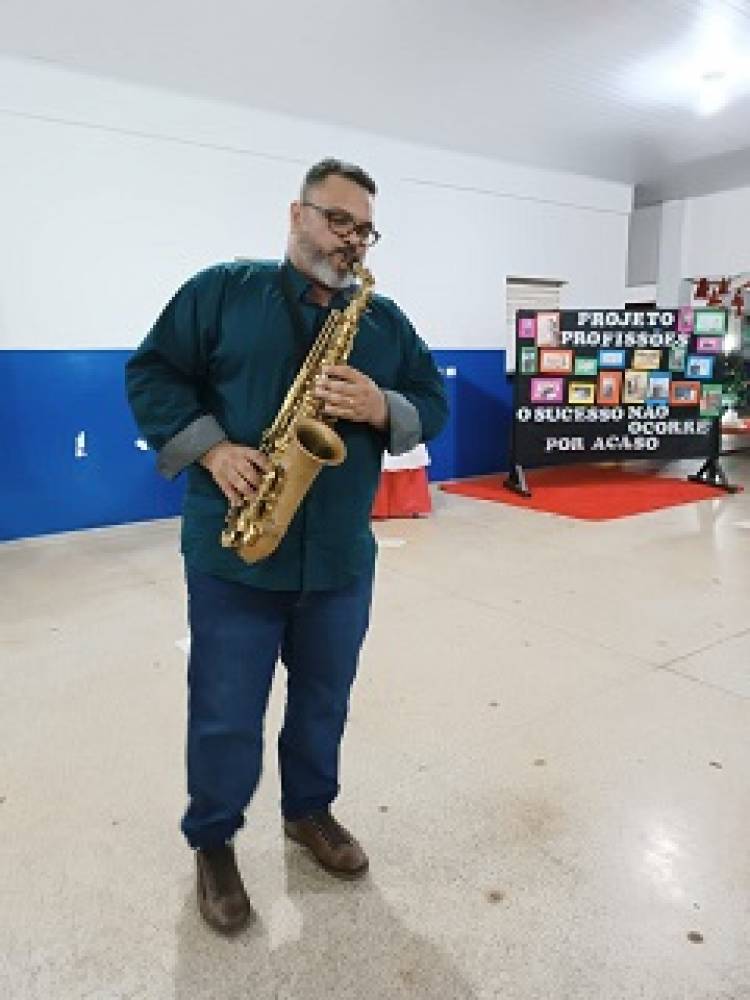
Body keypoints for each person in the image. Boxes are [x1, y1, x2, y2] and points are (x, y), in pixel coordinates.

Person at [125, 158, 448, 935]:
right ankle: (214, 842)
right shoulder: (220, 291)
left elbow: (431, 402)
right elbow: (153, 374)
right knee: (225, 712)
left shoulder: (385, 320)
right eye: (339, 220)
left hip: (338, 557)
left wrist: (383, 403)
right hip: (235, 554)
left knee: (323, 702)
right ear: (296, 215)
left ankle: (309, 811)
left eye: (365, 229)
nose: (352, 241)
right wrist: (211, 449)